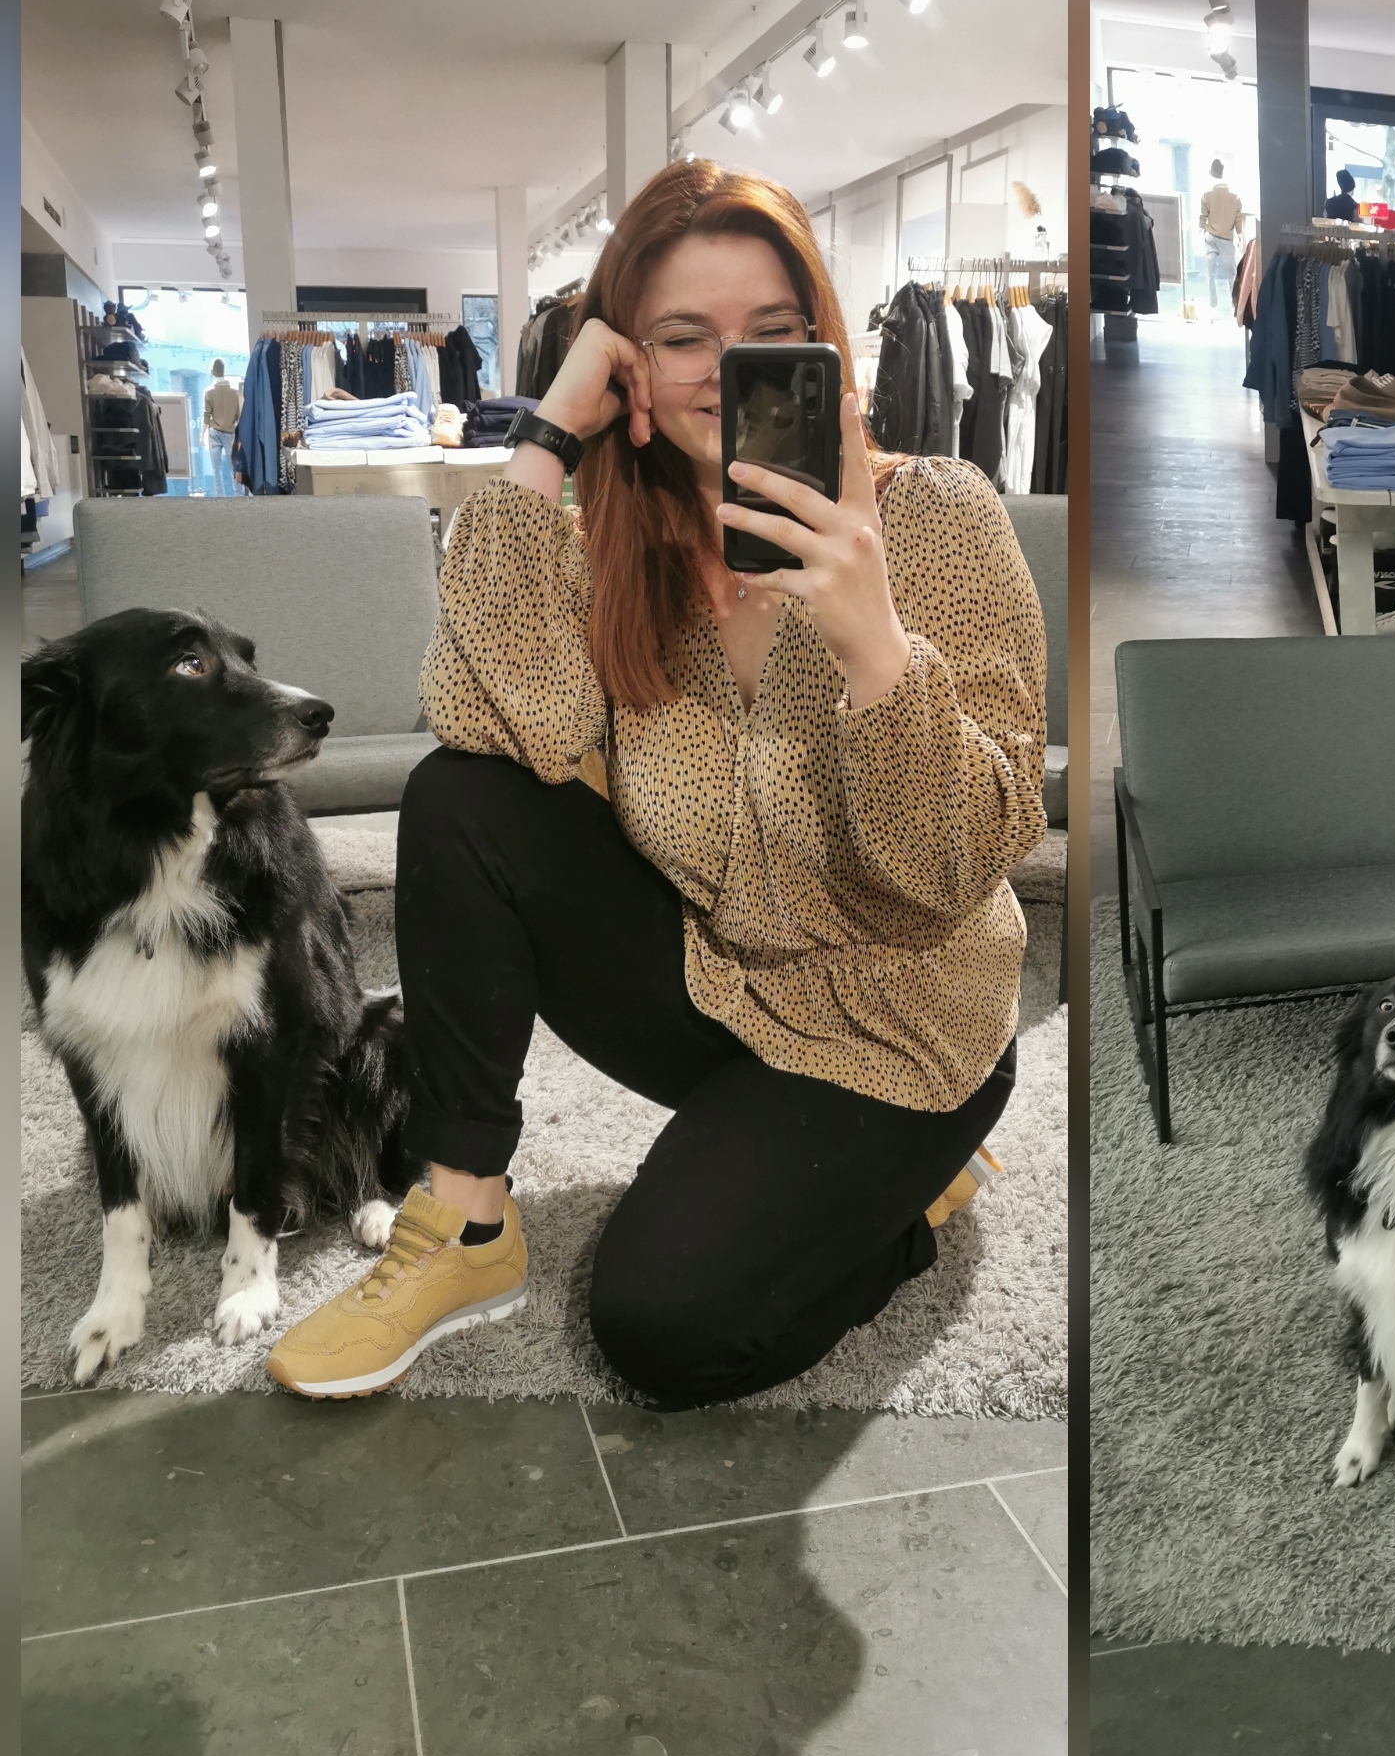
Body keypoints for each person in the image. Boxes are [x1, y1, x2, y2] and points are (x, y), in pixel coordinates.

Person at [264, 160, 1049, 1409]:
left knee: (663, 1330)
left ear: (823, 346)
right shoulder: (616, 556)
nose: (729, 371)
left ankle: (897, 1210)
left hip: (905, 1026)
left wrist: (874, 641)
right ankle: (465, 1217)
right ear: (627, 363)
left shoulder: (938, 517)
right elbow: (487, 726)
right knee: (460, 795)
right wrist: (545, 438)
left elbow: (959, 865)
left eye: (770, 333)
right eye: (684, 339)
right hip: (719, 983)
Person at [1197, 159, 1244, 315]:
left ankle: (1213, 305)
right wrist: (1241, 239)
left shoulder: (1207, 196)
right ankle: (1235, 305)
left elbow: (1203, 217)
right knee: (1232, 275)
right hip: (1226, 239)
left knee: (1210, 274)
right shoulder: (1235, 198)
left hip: (1210, 237)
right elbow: (1238, 220)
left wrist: (1199, 234)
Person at [199, 357, 242, 496]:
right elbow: (238, 416)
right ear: (224, 370)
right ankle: (238, 494)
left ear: (212, 371)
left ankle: (219, 495)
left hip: (214, 432)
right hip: (230, 432)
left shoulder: (208, 392)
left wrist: (202, 435)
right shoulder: (235, 393)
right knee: (233, 465)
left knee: (215, 468)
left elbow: (206, 415)